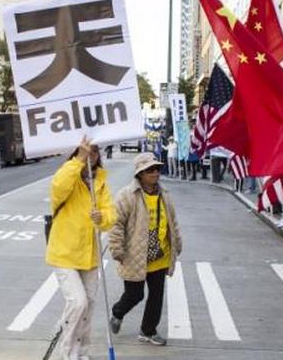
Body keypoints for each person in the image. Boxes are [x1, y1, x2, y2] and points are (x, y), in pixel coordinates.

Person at [46, 138, 116, 360]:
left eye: (95, 150)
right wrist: (79, 160)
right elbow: (58, 187)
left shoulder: (101, 181)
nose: (92, 153)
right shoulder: (68, 173)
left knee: (88, 307)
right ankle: (66, 351)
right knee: (78, 303)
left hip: (90, 254)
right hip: (64, 252)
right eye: (88, 150)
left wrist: (102, 216)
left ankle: (82, 351)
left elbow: (110, 215)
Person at [109, 153, 182, 346]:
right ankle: (118, 312)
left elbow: (172, 222)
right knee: (135, 295)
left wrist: (178, 245)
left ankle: (148, 330)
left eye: (157, 169)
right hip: (135, 255)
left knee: (156, 296)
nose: (155, 173)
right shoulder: (127, 195)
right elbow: (116, 224)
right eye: (150, 170)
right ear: (140, 174)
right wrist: (117, 249)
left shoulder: (164, 194)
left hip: (160, 254)